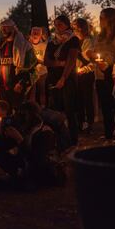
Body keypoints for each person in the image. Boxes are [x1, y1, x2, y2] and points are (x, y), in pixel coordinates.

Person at [91, 8, 115, 139]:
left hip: (113, 76)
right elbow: (94, 50)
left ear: (110, 19)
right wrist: (92, 55)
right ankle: (108, 134)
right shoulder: (99, 36)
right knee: (105, 107)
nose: (100, 20)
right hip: (100, 76)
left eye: (102, 18)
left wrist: (109, 64)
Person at [45, 15, 80, 145]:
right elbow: (46, 61)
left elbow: (71, 60)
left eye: (60, 24)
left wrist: (63, 78)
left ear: (67, 25)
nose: (57, 27)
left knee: (69, 109)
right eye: (55, 24)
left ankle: (73, 140)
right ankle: (59, 139)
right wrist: (59, 63)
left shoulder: (73, 40)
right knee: (55, 109)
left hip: (67, 79)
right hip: (53, 77)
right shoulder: (52, 41)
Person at [0, 19, 37, 111]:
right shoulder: (1, 46)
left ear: (13, 29)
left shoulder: (24, 45)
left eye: (6, 28)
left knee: (18, 110)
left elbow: (32, 67)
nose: (4, 31)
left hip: (17, 86)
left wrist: (21, 82)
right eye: (2, 29)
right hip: (3, 86)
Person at [73, 18, 95, 134]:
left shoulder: (89, 41)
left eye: (77, 27)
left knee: (87, 99)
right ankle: (81, 123)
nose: (75, 29)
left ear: (83, 28)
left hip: (87, 74)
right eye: (74, 27)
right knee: (79, 100)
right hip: (77, 75)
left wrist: (83, 69)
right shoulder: (75, 40)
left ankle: (90, 123)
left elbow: (91, 61)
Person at [28, 27, 48, 107]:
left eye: (37, 33)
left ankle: (43, 106)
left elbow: (47, 60)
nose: (35, 35)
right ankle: (32, 107)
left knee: (42, 90)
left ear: (41, 35)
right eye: (34, 33)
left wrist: (40, 62)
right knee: (32, 90)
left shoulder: (44, 45)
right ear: (31, 34)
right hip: (31, 71)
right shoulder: (27, 45)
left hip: (42, 71)